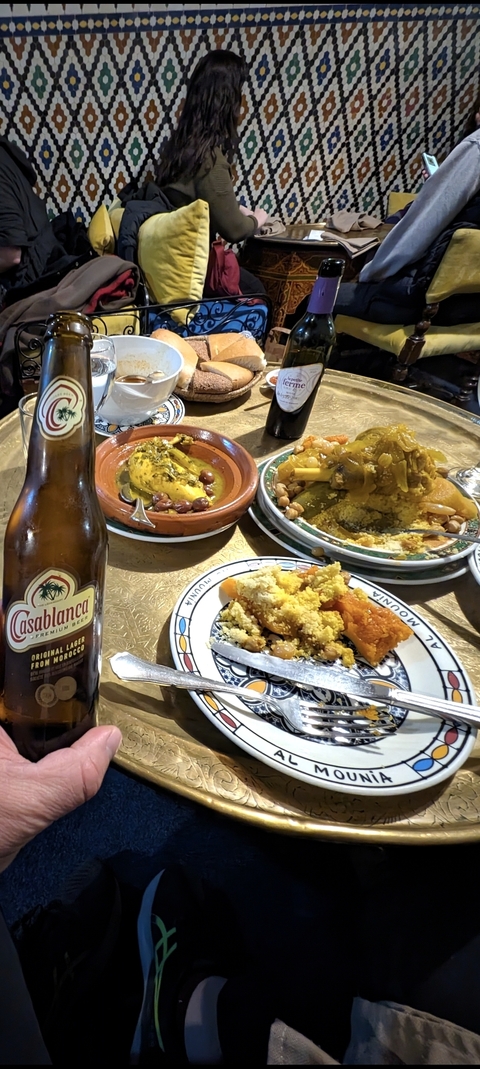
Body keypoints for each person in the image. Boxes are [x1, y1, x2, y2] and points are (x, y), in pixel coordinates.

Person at [334, 123, 480, 327]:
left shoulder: (476, 147)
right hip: (468, 308)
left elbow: (417, 233)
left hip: (416, 301)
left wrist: (369, 274)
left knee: (316, 294)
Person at [155, 49, 268, 296]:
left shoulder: (178, 148)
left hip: (166, 265)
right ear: (228, 101)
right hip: (191, 270)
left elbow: (200, 200)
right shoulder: (209, 159)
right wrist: (258, 218)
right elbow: (234, 230)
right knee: (258, 292)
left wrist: (236, 210)